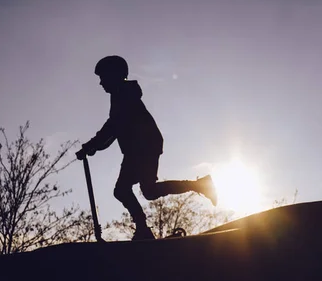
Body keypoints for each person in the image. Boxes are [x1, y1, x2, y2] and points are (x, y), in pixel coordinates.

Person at [75, 55, 218, 240]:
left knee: (133, 190)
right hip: (139, 147)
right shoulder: (120, 95)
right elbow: (113, 130)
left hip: (144, 145)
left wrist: (91, 146)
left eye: (103, 77)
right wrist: (93, 146)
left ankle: (145, 227)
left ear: (115, 75)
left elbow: (113, 126)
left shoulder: (125, 95)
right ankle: (144, 228)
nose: (101, 83)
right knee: (133, 190)